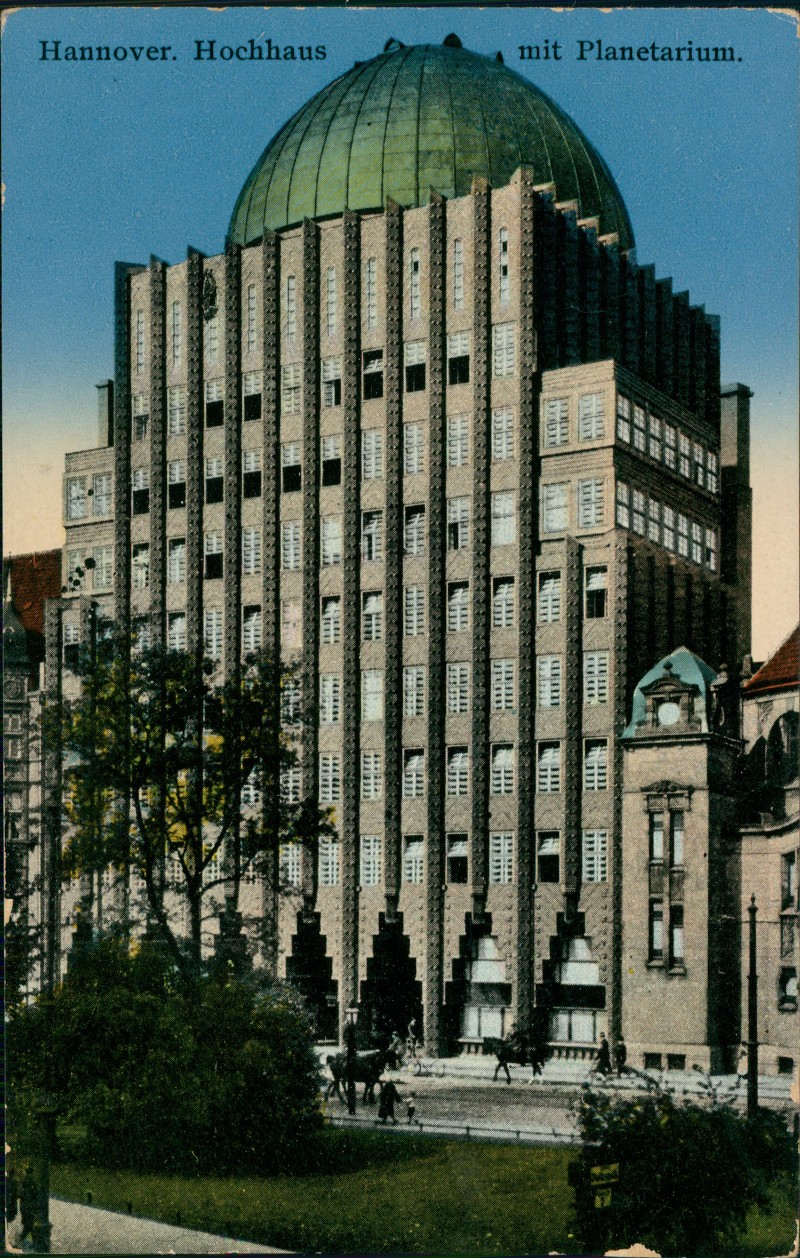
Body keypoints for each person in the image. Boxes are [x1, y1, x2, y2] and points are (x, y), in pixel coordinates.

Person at [19, 1166, 39, 1246]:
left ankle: (23, 1239)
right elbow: (35, 1194)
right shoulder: (33, 1182)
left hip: (25, 1205)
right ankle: (28, 1240)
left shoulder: (24, 1181)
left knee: (27, 1224)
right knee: (29, 1224)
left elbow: (21, 1194)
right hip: (30, 1205)